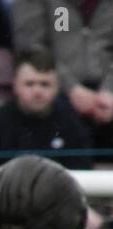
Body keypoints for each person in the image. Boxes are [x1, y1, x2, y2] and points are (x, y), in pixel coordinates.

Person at [0, 49, 95, 172]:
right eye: (29, 84)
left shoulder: (72, 125)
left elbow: (82, 176)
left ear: (57, 87)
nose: (37, 92)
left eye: (45, 84)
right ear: (15, 85)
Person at [12, 0, 113, 143]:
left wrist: (109, 89)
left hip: (106, 90)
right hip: (56, 88)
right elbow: (30, 46)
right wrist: (72, 88)